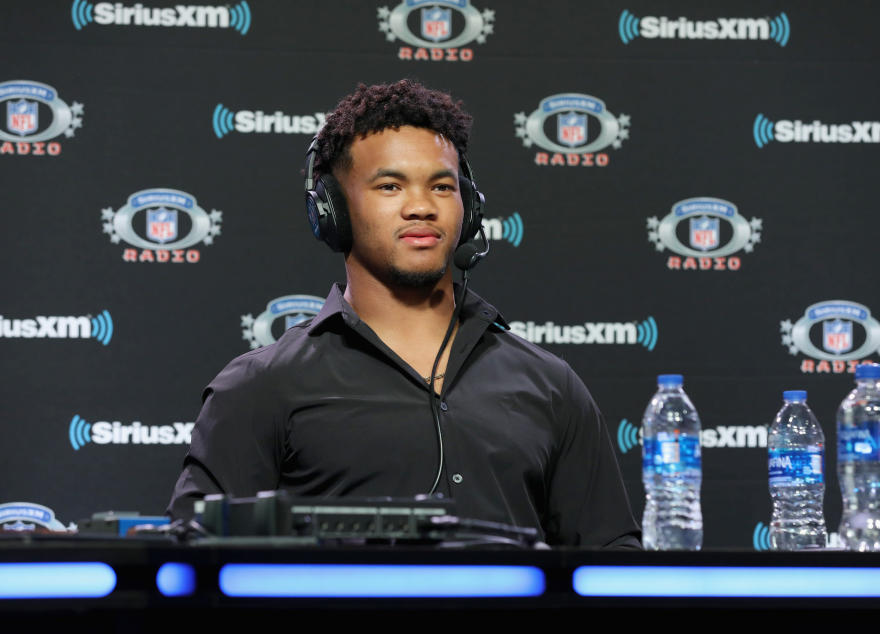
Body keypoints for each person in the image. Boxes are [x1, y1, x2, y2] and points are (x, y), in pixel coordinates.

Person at [168, 79, 641, 548]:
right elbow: (195, 568)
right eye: (390, 186)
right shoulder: (260, 386)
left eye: (441, 186)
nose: (421, 207)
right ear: (331, 210)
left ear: (469, 208)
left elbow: (613, 564)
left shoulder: (550, 384)